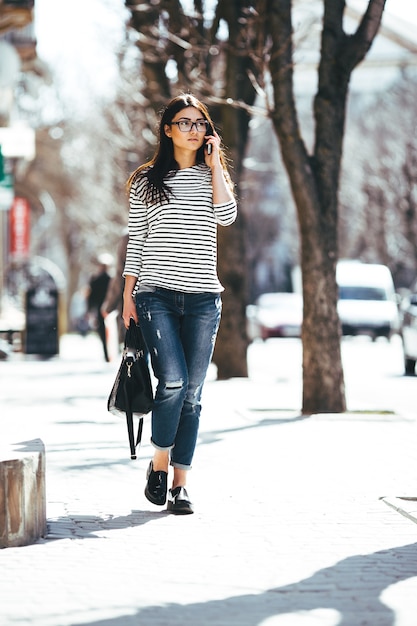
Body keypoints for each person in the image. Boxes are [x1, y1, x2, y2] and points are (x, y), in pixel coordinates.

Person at [122, 94, 237, 515]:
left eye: (201, 123)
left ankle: (180, 484)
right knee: (171, 381)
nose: (194, 129)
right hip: (156, 296)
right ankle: (159, 462)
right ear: (167, 129)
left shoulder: (212, 177)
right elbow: (137, 241)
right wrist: (127, 296)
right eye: (184, 122)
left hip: (205, 298)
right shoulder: (146, 180)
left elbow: (226, 217)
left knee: (192, 392)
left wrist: (216, 166)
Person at [87, 254, 112, 361]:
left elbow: (90, 297)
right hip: (108, 308)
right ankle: (109, 354)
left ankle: (108, 354)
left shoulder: (96, 279)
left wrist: (90, 309)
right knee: (108, 332)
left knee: (104, 332)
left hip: (103, 309)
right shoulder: (109, 279)